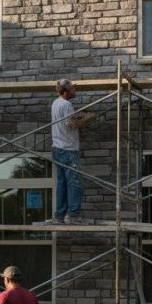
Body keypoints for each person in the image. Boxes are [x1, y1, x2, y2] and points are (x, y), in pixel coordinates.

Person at [51, 79, 95, 225]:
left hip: (57, 147)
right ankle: (73, 216)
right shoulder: (66, 104)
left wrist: (78, 117)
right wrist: (86, 118)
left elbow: (66, 123)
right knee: (75, 183)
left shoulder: (55, 103)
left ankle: (59, 216)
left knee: (62, 183)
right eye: (72, 89)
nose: (74, 91)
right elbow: (71, 125)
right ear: (65, 92)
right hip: (68, 149)